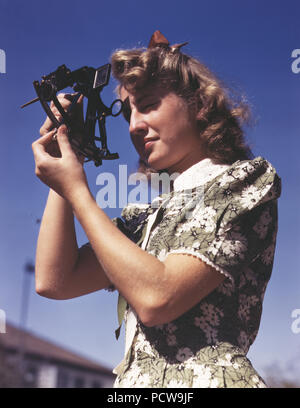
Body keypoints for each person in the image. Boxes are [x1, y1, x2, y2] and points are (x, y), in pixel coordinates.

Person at [32, 31, 281, 388]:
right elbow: (55, 280)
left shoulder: (245, 180)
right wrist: (67, 160)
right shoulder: (145, 217)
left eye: (148, 105)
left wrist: (78, 191)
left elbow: (157, 298)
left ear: (198, 103)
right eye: (127, 113)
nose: (133, 125)